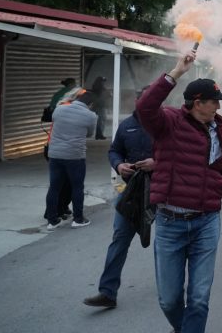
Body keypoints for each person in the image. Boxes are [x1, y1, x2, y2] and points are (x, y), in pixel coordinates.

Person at [136, 49, 222, 333]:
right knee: (169, 300)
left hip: (206, 222)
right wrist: (176, 73)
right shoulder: (169, 122)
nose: (218, 108)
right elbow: (145, 107)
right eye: (214, 103)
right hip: (170, 223)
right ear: (197, 103)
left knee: (198, 299)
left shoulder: (218, 130)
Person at [83, 99, 154, 308]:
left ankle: (176, 287)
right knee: (119, 238)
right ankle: (107, 292)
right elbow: (114, 151)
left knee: (170, 243)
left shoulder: (167, 123)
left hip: (164, 191)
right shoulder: (126, 125)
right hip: (133, 192)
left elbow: (181, 155)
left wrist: (157, 163)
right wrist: (119, 164)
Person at [45, 90, 97, 230]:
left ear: (76, 98)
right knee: (77, 187)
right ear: (90, 104)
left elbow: (55, 123)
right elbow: (90, 133)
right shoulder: (91, 116)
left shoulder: (59, 109)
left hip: (55, 154)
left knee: (54, 187)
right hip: (75, 156)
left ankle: (52, 220)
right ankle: (78, 219)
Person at [90, 75, 109, 140]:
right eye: (103, 81)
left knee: (99, 121)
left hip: (95, 106)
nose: (104, 83)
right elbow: (108, 95)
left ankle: (98, 134)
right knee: (102, 121)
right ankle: (99, 135)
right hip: (101, 106)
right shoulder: (102, 88)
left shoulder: (94, 87)